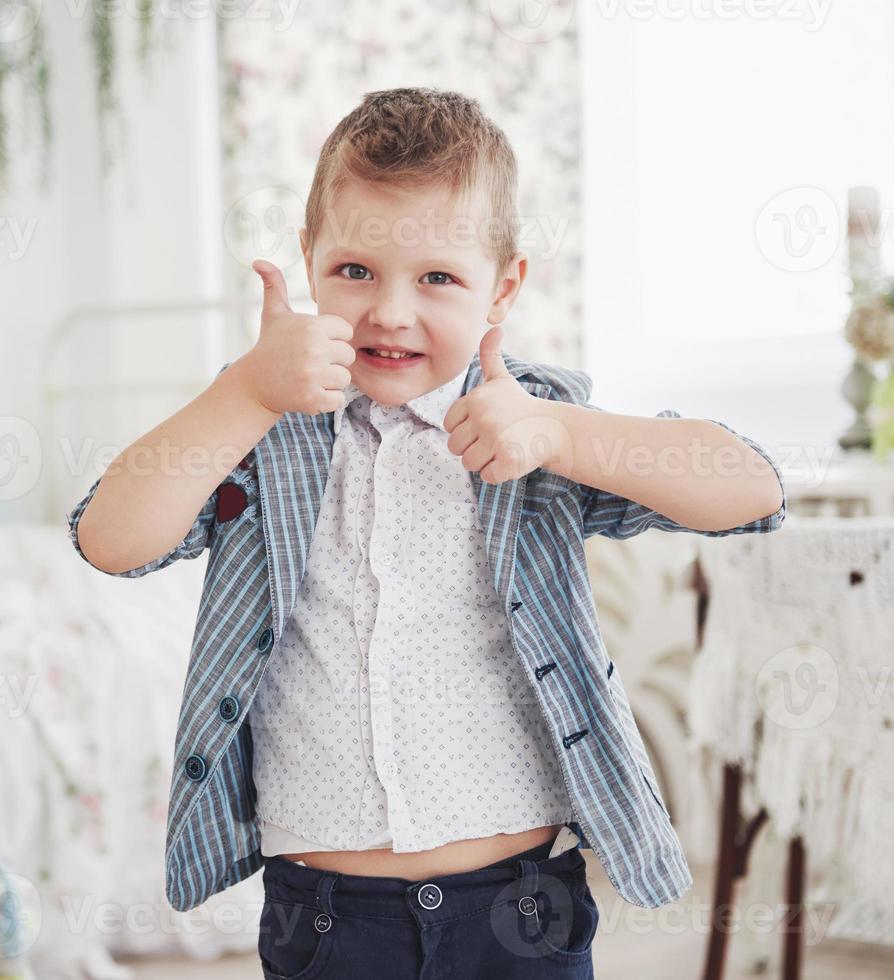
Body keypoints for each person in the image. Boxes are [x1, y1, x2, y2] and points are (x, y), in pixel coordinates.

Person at [69, 87, 786, 979]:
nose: (391, 312)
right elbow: (110, 538)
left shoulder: (532, 421)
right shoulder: (261, 421)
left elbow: (750, 487)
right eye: (356, 271)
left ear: (505, 288)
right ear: (309, 261)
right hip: (326, 918)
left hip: (522, 904)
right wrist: (244, 393)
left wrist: (560, 435)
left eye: (438, 278)